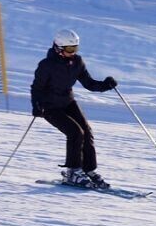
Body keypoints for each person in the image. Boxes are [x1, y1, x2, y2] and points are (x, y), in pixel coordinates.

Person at [31, 28, 117, 189]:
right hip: (50, 107)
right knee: (75, 133)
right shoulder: (46, 65)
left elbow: (89, 84)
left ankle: (88, 170)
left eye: (75, 48)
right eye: (70, 49)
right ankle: (73, 172)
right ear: (59, 48)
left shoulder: (77, 62)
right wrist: (36, 105)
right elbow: (36, 88)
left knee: (87, 131)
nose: (73, 52)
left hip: (68, 103)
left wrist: (106, 85)